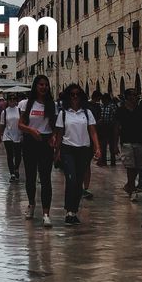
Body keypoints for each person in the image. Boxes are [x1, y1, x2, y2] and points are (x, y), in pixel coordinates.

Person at [55, 86, 101, 224]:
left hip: (83, 150)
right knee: (71, 179)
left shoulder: (87, 113)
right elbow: (60, 133)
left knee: (79, 181)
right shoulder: (63, 114)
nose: (75, 97)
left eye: (77, 94)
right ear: (68, 97)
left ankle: (73, 211)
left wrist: (97, 147)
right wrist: (57, 152)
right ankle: (69, 211)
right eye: (72, 94)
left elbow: (92, 131)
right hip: (68, 149)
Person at [18, 75, 56, 227]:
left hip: (46, 143)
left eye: (46, 85)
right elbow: (20, 125)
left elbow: (55, 126)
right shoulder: (26, 104)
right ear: (35, 86)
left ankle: (46, 213)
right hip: (30, 142)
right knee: (30, 177)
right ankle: (32, 204)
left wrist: (54, 137)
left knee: (46, 178)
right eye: (41, 84)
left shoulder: (51, 105)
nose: (44, 87)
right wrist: (31, 130)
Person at [117, 89, 142, 201]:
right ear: (128, 97)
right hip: (126, 141)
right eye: (134, 95)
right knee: (130, 166)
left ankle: (129, 185)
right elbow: (116, 127)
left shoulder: (141, 110)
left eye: (137, 95)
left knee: (138, 166)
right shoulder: (120, 110)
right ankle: (132, 188)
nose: (136, 97)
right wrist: (115, 143)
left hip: (140, 141)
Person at [0, 95, 23, 181]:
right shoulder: (4, 112)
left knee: (18, 155)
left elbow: (23, 123)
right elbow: (2, 124)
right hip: (7, 135)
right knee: (10, 155)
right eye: (10, 99)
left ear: (16, 101)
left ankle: (16, 168)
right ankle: (12, 173)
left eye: (14, 99)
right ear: (7, 101)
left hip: (18, 135)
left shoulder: (19, 111)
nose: (12, 101)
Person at [96, 93, 119, 166]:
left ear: (107, 99)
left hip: (111, 127)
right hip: (103, 128)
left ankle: (113, 161)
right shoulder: (101, 106)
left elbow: (115, 117)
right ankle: (103, 161)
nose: (102, 101)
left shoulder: (112, 106)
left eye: (103, 99)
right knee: (103, 145)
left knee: (112, 145)